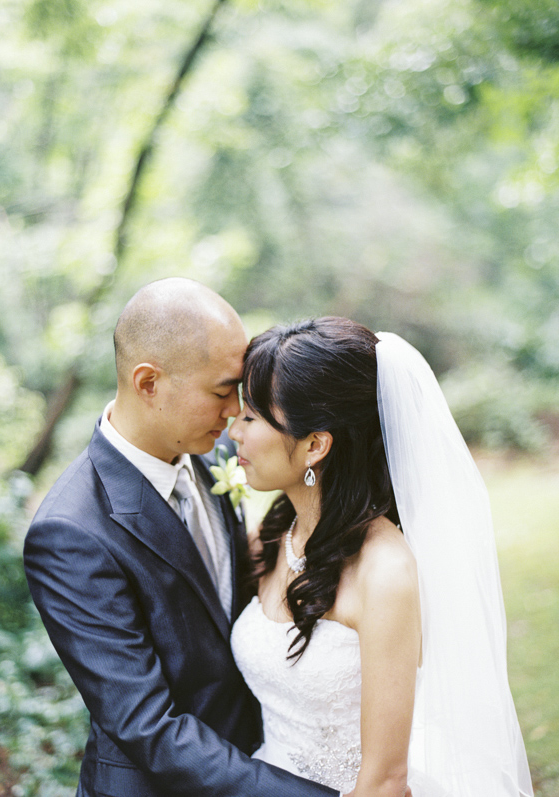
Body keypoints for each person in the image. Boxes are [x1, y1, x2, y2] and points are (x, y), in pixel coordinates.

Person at [23, 279, 340, 796]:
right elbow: (148, 726)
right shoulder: (70, 532)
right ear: (148, 383)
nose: (237, 411)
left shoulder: (215, 458)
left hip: (263, 753)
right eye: (221, 391)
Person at [229, 316, 534, 797]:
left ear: (314, 445)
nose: (233, 432)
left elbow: (385, 783)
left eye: (250, 417)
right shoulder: (272, 536)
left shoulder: (384, 573)